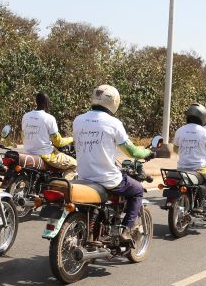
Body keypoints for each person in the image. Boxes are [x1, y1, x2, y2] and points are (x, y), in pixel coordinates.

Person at [72, 85, 152, 241]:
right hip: (107, 179)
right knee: (137, 190)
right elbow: (132, 152)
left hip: (83, 177)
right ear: (114, 101)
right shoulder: (113, 123)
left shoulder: (78, 120)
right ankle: (126, 231)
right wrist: (148, 152)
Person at [172, 103, 206, 209]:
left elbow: (175, 149)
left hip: (181, 168)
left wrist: (187, 154)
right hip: (200, 168)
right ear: (202, 116)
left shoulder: (180, 130)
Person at [21, 91, 76, 173]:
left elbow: (24, 135)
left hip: (28, 153)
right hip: (45, 155)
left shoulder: (26, 116)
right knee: (74, 164)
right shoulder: (49, 118)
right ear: (46, 103)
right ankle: (64, 185)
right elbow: (58, 142)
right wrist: (72, 139)